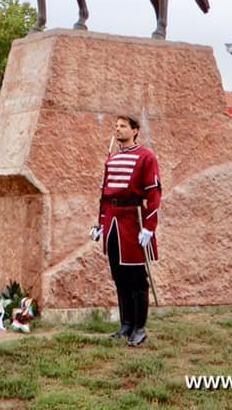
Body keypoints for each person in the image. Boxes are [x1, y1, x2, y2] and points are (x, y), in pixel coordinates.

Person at [90, 115, 161, 347]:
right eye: (116, 126)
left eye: (123, 126)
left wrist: (149, 228)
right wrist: (101, 224)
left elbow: (154, 194)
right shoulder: (111, 159)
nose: (118, 129)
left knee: (136, 278)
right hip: (112, 221)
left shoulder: (146, 157)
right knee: (119, 276)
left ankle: (139, 328)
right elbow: (104, 195)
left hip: (132, 221)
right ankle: (126, 325)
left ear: (135, 130)